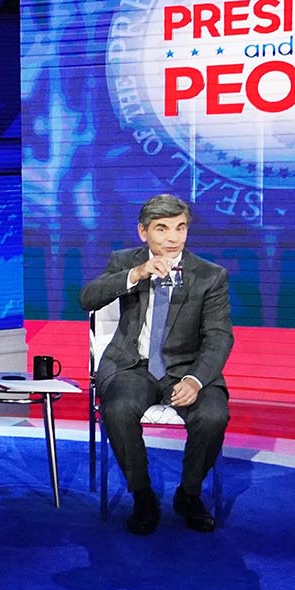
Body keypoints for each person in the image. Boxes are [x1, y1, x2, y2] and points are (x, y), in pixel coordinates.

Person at [79, 194, 232, 535]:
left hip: (187, 368)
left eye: (180, 228)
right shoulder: (124, 261)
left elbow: (220, 337)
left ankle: (189, 494)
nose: (172, 238)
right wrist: (136, 274)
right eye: (162, 229)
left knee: (213, 415)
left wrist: (195, 379)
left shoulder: (210, 276)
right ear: (143, 232)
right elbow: (87, 298)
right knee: (118, 410)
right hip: (133, 366)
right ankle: (143, 495)